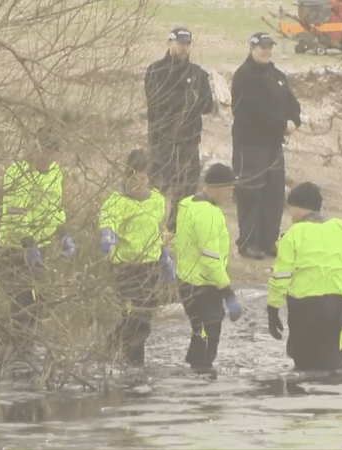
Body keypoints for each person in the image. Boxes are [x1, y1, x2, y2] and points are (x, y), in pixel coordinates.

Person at [267, 182, 342, 372]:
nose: (290, 215)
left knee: (303, 367)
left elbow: (281, 277)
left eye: (291, 210)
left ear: (300, 209)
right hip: (336, 308)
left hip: (303, 309)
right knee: (334, 366)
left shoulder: (292, 235)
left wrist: (273, 310)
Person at [231, 31, 302, 260]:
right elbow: (254, 109)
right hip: (250, 143)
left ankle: (268, 240)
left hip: (273, 144)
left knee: (274, 193)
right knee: (251, 192)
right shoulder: (244, 75)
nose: (266, 50)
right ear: (252, 48)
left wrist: (294, 120)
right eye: (261, 46)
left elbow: (292, 103)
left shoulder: (278, 75)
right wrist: (283, 124)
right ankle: (248, 241)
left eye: (269, 46)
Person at [0, 125, 75, 331]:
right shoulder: (18, 172)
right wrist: (28, 244)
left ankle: (25, 349)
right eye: (45, 152)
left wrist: (63, 233)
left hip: (41, 248)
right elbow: (15, 213)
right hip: (15, 249)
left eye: (53, 154)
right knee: (21, 304)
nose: (48, 158)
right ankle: (16, 351)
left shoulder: (55, 173)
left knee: (35, 306)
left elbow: (54, 208)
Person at [98, 149, 172, 366]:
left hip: (150, 268)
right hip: (125, 268)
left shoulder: (157, 200)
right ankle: (122, 356)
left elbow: (159, 230)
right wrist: (107, 233)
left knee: (145, 319)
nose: (138, 183)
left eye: (143, 177)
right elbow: (108, 220)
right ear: (126, 177)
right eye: (133, 177)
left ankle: (128, 360)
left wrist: (165, 255)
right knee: (131, 315)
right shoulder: (117, 201)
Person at [173, 163, 243, 372]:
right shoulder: (209, 214)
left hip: (186, 282)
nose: (232, 193)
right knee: (208, 336)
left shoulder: (188, 204)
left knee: (200, 332)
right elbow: (210, 258)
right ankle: (202, 382)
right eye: (229, 188)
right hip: (204, 285)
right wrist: (228, 292)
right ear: (216, 188)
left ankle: (195, 379)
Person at [144, 26, 214, 229]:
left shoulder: (198, 73)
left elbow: (207, 104)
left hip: (189, 140)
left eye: (187, 44)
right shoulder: (156, 70)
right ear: (170, 43)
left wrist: (188, 104)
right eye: (180, 43)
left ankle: (177, 228)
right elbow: (157, 102)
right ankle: (151, 227)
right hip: (162, 140)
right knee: (158, 187)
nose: (184, 48)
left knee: (186, 190)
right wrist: (188, 101)